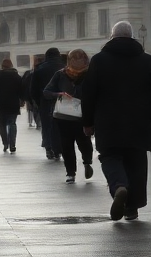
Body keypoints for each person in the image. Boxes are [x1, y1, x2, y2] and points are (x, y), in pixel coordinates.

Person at [80, 22, 151, 221]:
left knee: (110, 156)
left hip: (108, 121)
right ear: (133, 36)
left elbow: (89, 92)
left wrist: (87, 122)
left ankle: (119, 186)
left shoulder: (100, 60)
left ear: (112, 36)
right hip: (140, 122)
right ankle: (132, 208)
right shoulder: (147, 61)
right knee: (137, 162)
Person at [43, 49, 94, 184]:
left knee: (84, 142)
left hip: (83, 115)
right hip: (64, 116)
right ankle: (70, 172)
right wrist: (59, 94)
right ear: (69, 60)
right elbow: (46, 91)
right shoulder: (60, 74)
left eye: (80, 59)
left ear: (85, 60)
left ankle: (87, 162)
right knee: (66, 145)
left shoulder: (90, 74)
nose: (77, 62)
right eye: (74, 59)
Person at [0, 58, 25, 154]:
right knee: (12, 124)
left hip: (0, 105)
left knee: (2, 125)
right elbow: (22, 91)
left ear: (2, 67)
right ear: (11, 66)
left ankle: (5, 143)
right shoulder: (17, 76)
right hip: (13, 105)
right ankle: (12, 144)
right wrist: (21, 100)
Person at [32, 47, 64, 160]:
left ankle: (49, 148)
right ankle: (59, 149)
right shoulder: (65, 67)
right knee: (61, 126)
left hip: (45, 101)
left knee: (46, 126)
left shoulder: (40, 69)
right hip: (63, 101)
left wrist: (38, 102)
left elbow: (34, 89)